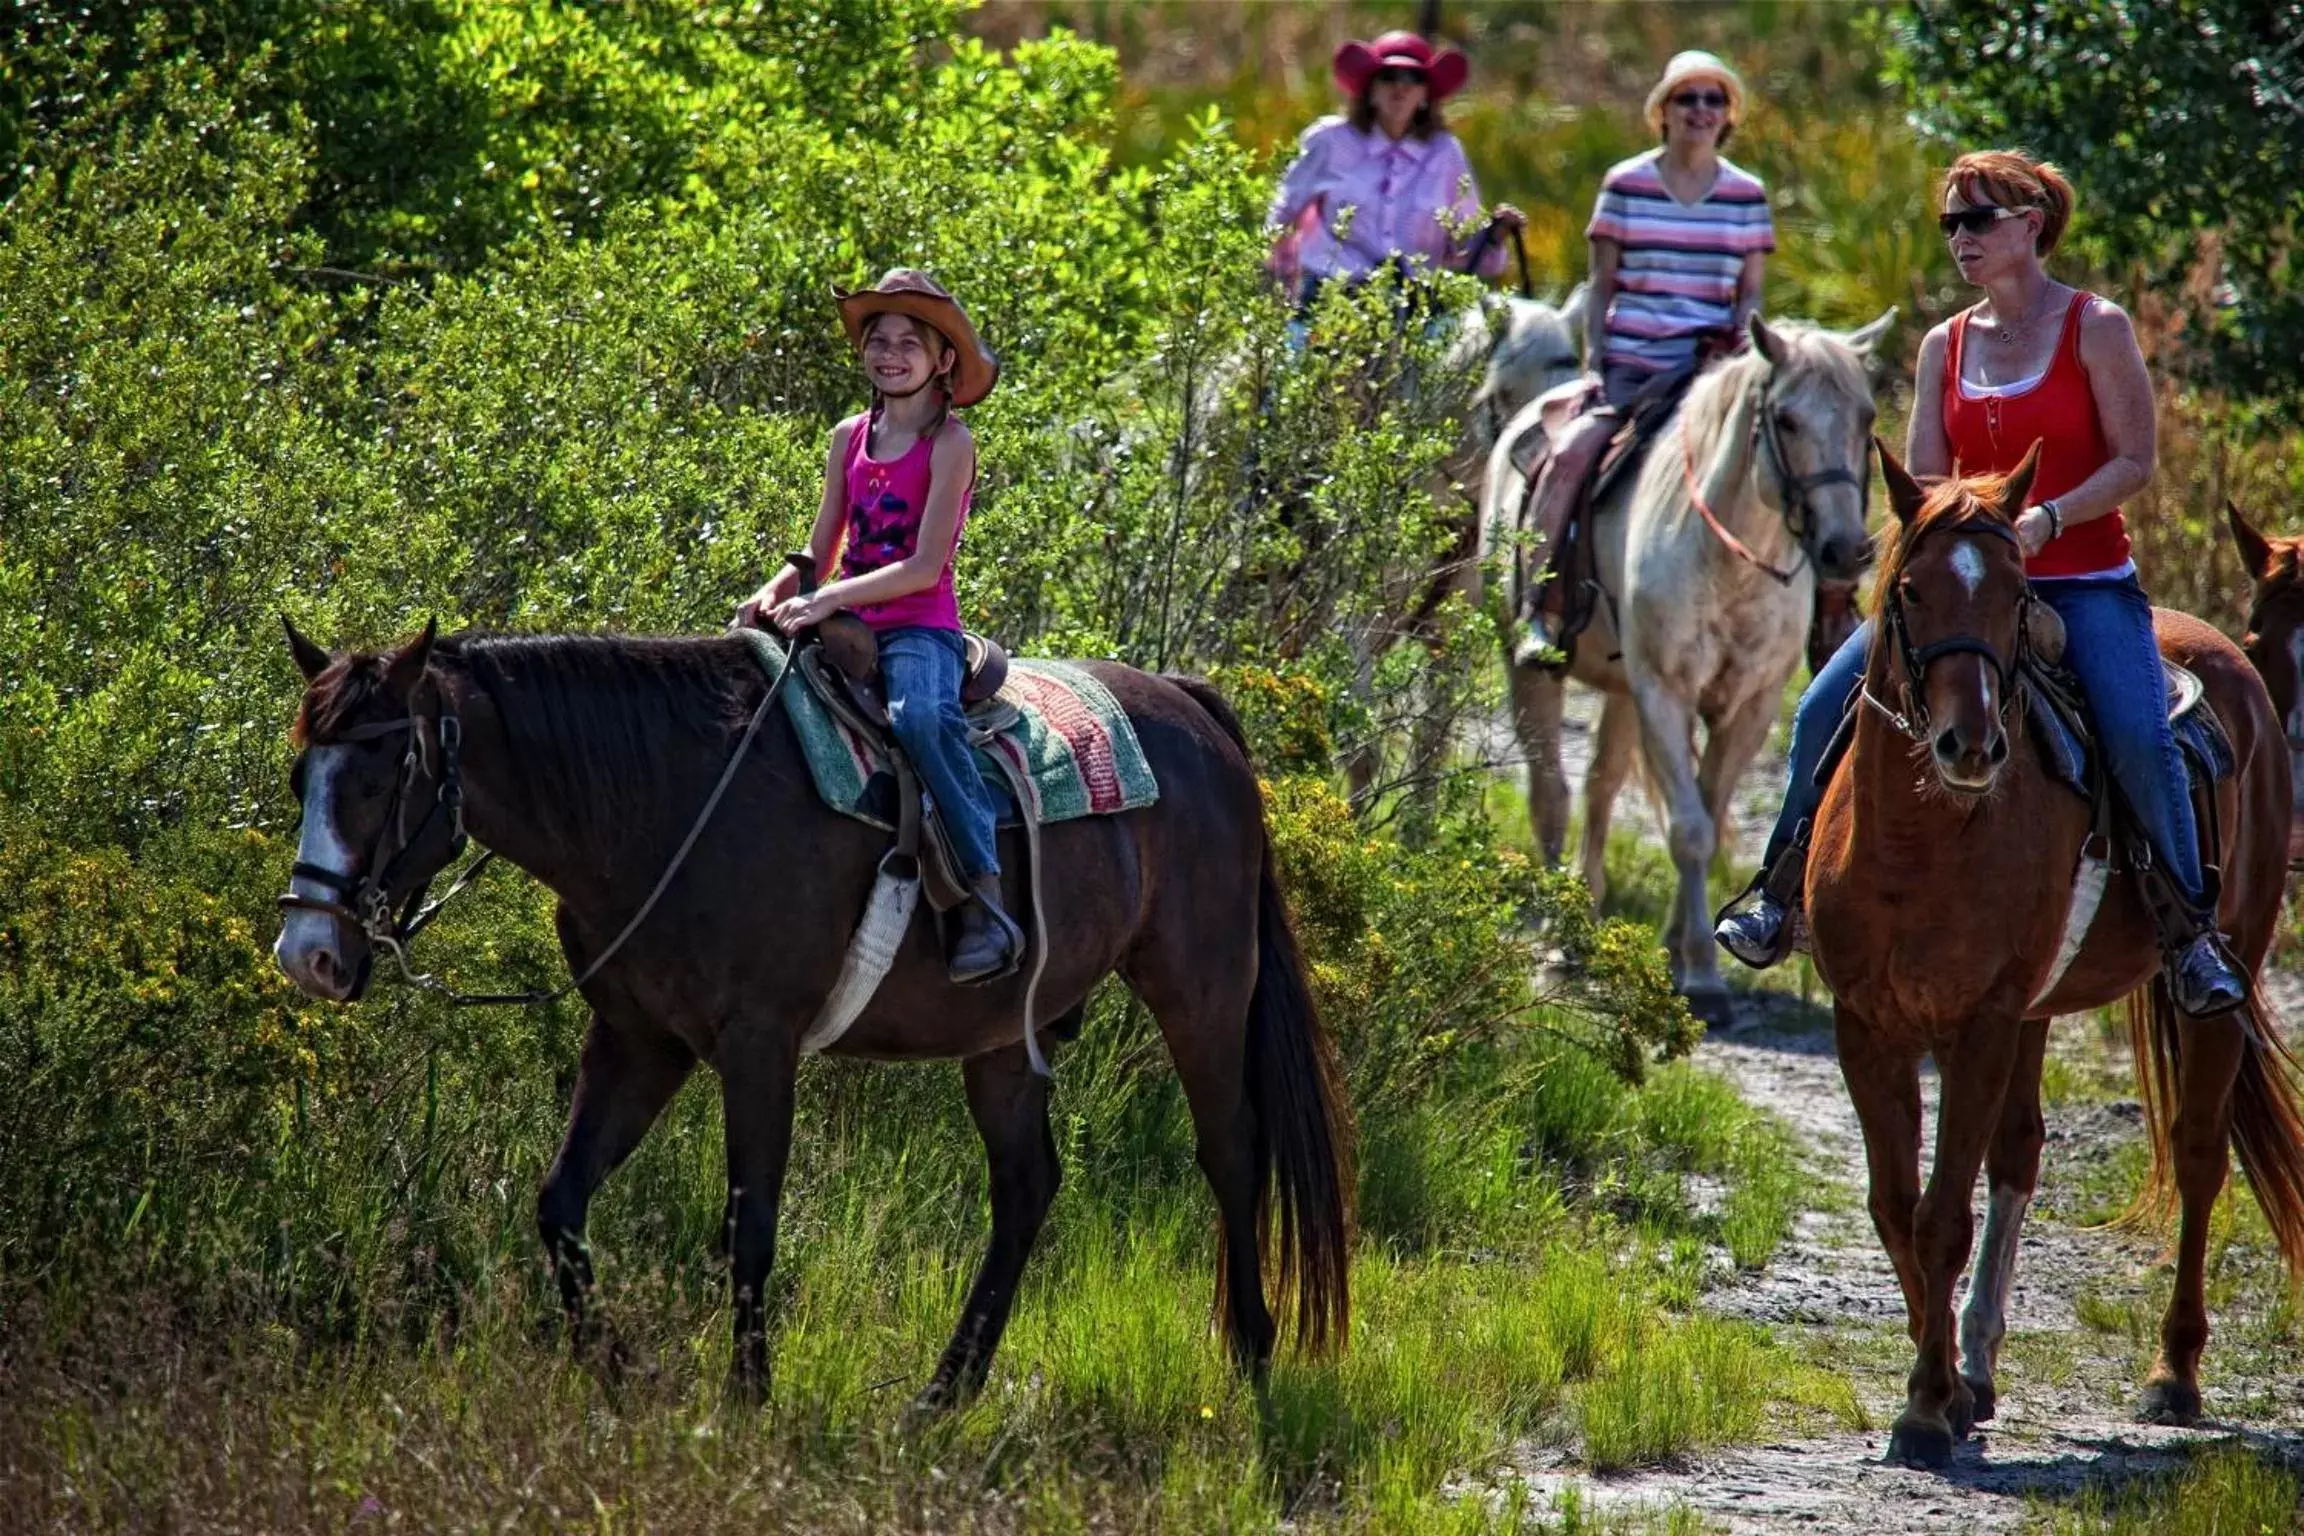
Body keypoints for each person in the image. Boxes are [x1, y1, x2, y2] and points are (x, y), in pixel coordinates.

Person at [1712, 150, 2248, 1017]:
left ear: (2030, 224)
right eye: (1949, 225)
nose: (1959, 239)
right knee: (1820, 707)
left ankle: (2190, 935)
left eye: (1977, 221)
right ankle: (1778, 896)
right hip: (1963, 590)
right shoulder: (1943, 344)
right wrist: (1934, 540)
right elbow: (1924, 476)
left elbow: (2136, 462)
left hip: (2081, 581)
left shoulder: (2095, 326)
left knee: (2141, 740)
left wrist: (2046, 520)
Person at [734, 269, 1022, 985]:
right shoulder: (848, 438)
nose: (889, 354)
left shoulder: (951, 444)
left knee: (920, 718)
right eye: (877, 341)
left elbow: (926, 566)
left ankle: (985, 894)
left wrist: (829, 600)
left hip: (918, 627)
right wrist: (770, 594)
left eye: (907, 344)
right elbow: (822, 546)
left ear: (942, 360)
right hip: (845, 613)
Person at [1519, 49, 1775, 661]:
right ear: (1663, 111)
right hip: (1635, 368)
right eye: (1688, 99)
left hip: (1713, 375)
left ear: (1728, 115)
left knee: (1795, 462)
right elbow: (1601, 286)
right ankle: (1540, 607)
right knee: (1572, 455)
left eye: (1714, 100)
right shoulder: (1625, 184)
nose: (1701, 111)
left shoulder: (1747, 195)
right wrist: (1595, 364)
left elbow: (1752, 293)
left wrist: (1743, 350)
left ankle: (1812, 619)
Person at [1265, 28, 1525, 321]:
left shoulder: (1445, 153)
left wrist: (1494, 234)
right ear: (1370, 90)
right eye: (1388, 77)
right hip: (1329, 299)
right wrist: (1276, 281)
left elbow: (1466, 244)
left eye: (1413, 79)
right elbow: (1283, 213)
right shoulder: (1328, 140)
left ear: (1426, 95)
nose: (1400, 88)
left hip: (1413, 309)